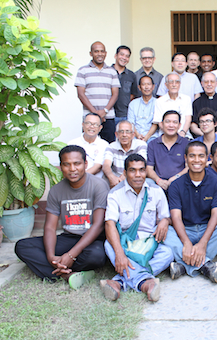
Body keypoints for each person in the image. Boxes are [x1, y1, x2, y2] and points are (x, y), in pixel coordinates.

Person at [15, 145, 109, 289]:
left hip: (92, 239)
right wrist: (51, 256)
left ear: (85, 164)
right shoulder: (56, 190)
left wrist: (70, 256)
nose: (72, 169)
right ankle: (67, 274)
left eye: (77, 164)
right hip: (69, 238)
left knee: (97, 254)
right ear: (61, 166)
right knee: (22, 246)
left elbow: (98, 225)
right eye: (67, 164)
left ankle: (56, 269)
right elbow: (50, 227)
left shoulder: (98, 186)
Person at [101, 154, 174, 302]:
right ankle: (144, 283)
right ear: (125, 173)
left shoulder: (155, 190)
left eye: (141, 170)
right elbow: (109, 224)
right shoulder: (115, 193)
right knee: (109, 245)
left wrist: (165, 221)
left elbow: (167, 217)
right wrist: (120, 253)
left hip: (148, 242)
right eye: (133, 170)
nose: (138, 175)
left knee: (168, 253)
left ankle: (119, 282)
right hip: (125, 242)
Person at [164, 141, 217, 283]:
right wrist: (186, 242)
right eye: (192, 156)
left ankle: (183, 265)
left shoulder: (216, 182)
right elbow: (176, 217)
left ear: (207, 159)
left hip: (208, 231)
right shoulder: (175, 185)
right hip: (185, 230)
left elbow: (216, 215)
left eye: (201, 156)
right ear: (185, 158)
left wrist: (203, 243)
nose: (196, 160)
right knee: (163, 231)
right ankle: (205, 265)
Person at [75, 41, 120, 143]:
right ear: (91, 53)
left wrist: (104, 111)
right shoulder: (83, 70)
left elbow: (115, 94)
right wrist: (95, 114)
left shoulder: (112, 71)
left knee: (109, 146)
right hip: (89, 118)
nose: (99, 54)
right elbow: (81, 94)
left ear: (106, 53)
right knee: (88, 145)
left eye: (102, 51)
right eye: (96, 51)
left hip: (108, 117)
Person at [147, 111, 189, 191]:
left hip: (179, 181)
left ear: (179, 125)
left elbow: (188, 167)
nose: (171, 125)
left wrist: (174, 178)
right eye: (167, 122)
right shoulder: (153, 144)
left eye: (175, 122)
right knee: (148, 182)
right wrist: (158, 180)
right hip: (158, 183)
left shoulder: (186, 143)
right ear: (161, 124)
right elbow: (149, 168)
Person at [102, 120, 147, 189]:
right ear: (116, 135)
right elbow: (106, 165)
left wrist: (125, 176)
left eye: (128, 132)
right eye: (121, 132)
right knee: (104, 179)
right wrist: (111, 177)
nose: (124, 135)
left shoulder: (140, 145)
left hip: (134, 176)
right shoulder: (111, 146)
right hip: (116, 179)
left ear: (133, 135)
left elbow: (141, 163)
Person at [190, 72, 217, 138]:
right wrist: (203, 133)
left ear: (216, 83)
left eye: (212, 82)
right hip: (201, 135)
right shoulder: (196, 102)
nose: (209, 84)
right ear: (202, 84)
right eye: (206, 82)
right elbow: (193, 125)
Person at [68, 113, 109, 178]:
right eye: (88, 123)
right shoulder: (72, 143)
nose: (92, 126)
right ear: (83, 124)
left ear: (100, 128)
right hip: (74, 180)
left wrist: (80, 178)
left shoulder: (104, 145)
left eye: (95, 124)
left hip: (95, 182)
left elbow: (97, 166)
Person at [153, 72, 192, 138]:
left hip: (184, 135)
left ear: (180, 84)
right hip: (165, 135)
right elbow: (159, 122)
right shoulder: (159, 101)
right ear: (166, 85)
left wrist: (183, 132)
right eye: (171, 82)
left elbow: (188, 119)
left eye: (177, 82)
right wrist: (172, 134)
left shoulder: (186, 99)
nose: (174, 85)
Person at [112, 45, 139, 126]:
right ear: (115, 56)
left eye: (127, 56)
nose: (124, 58)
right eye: (122, 54)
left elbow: (133, 94)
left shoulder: (132, 75)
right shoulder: (107, 72)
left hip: (125, 115)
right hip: (109, 115)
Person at [128, 75, 157, 143]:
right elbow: (131, 123)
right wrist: (137, 135)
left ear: (153, 87)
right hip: (135, 136)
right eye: (143, 84)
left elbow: (156, 123)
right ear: (139, 87)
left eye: (149, 84)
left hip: (152, 137)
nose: (146, 87)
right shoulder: (133, 103)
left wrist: (147, 137)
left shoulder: (158, 103)